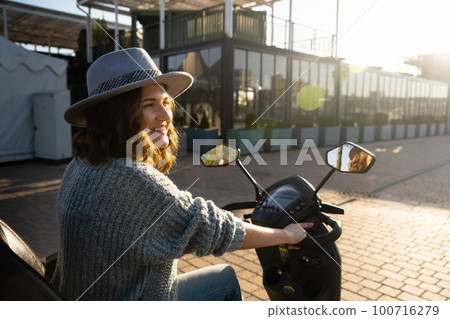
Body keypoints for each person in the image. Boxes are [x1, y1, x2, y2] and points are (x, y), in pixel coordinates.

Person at [51, 48, 312, 301]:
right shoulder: (127, 177)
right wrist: (285, 236)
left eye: (166, 102)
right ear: (117, 115)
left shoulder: (80, 165)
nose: (166, 115)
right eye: (149, 105)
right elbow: (211, 228)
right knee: (226, 279)